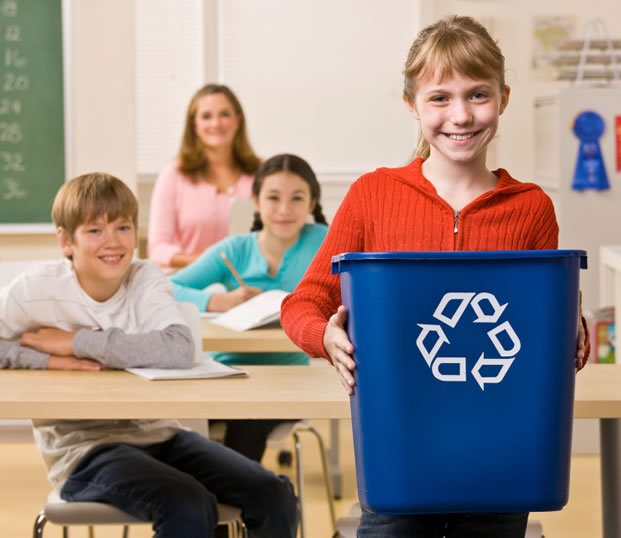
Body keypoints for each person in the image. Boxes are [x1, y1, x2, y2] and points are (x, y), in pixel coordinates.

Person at [280, 15, 589, 538]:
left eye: (478, 95)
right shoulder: (373, 196)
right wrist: (326, 336)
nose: (461, 115)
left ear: (504, 98)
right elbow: (303, 302)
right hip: (401, 450)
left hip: (501, 456)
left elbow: (550, 331)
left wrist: (572, 333)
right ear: (412, 105)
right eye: (440, 98)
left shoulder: (530, 207)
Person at [0, 172, 297, 538]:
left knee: (274, 494)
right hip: (83, 449)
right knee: (187, 505)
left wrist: (75, 341)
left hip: (160, 433)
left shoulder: (143, 278)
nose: (113, 242)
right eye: (95, 231)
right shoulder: (35, 290)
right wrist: (50, 359)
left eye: (123, 227)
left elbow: (178, 347)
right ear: (66, 240)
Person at [171, 153, 328, 462]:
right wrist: (218, 301)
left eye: (297, 198)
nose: (284, 210)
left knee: (246, 424)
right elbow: (168, 289)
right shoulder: (234, 248)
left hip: (288, 378)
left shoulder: (324, 242)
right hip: (226, 372)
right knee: (182, 423)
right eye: (273, 198)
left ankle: (237, 504)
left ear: (311, 204)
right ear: (255, 201)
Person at [148, 83, 261, 268]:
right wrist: (208, 264)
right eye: (206, 116)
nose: (216, 123)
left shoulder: (261, 173)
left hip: (251, 281)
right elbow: (158, 248)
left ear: (238, 120)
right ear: (194, 125)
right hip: (191, 282)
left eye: (224, 114)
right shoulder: (173, 175)